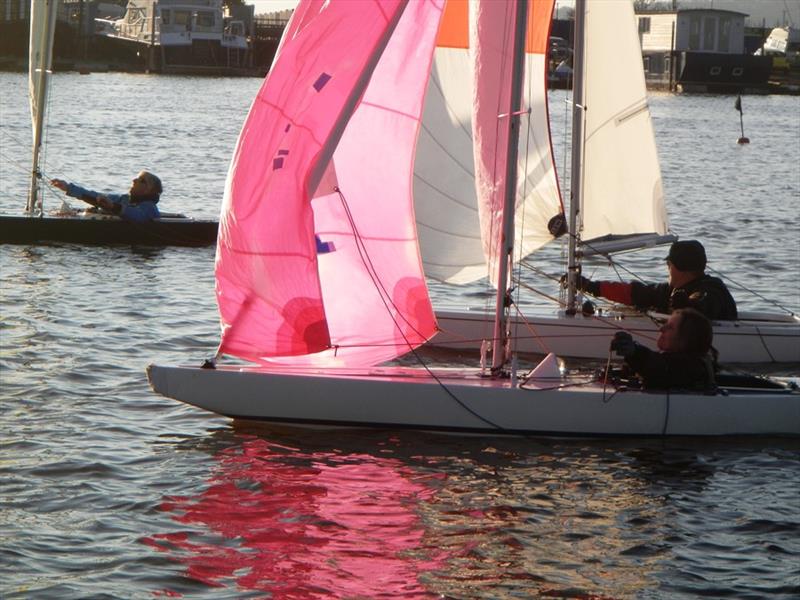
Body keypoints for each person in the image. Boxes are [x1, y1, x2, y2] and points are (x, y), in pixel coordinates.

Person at [576, 240, 738, 320]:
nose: (667, 269)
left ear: (676, 266)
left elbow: (704, 306)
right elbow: (635, 293)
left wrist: (687, 305)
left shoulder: (712, 289)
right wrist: (590, 286)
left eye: (668, 264)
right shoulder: (669, 291)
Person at [610, 308, 716, 391]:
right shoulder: (684, 363)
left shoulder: (692, 368)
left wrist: (634, 352)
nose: (661, 329)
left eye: (670, 327)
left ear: (686, 339)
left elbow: (660, 367)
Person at [50, 171, 162, 223]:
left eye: (140, 180)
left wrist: (112, 206)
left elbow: (137, 216)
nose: (134, 180)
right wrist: (68, 188)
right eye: (136, 178)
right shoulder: (124, 199)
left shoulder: (150, 207)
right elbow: (96, 196)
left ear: (149, 189)